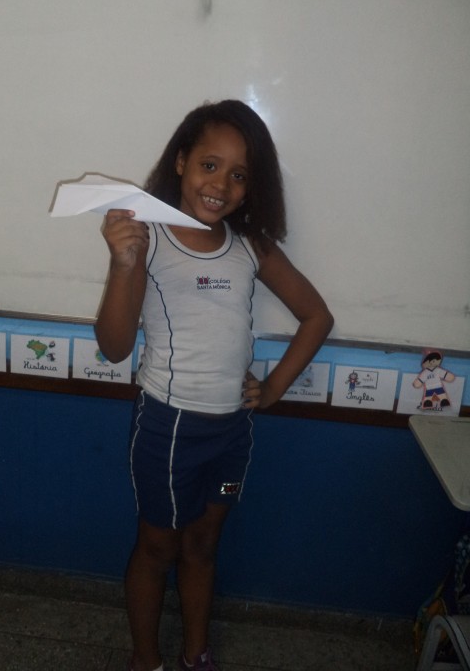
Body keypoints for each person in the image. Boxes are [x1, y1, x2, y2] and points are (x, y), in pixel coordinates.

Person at [95, 100, 334, 671]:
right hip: (169, 427)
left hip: (232, 432)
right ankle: (146, 659)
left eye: (239, 174)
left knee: (203, 545)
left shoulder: (251, 244)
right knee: (158, 548)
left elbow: (316, 316)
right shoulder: (148, 238)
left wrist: (272, 389)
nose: (221, 185)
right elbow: (115, 346)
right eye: (209, 165)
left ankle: (195, 654)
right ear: (181, 162)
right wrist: (124, 263)